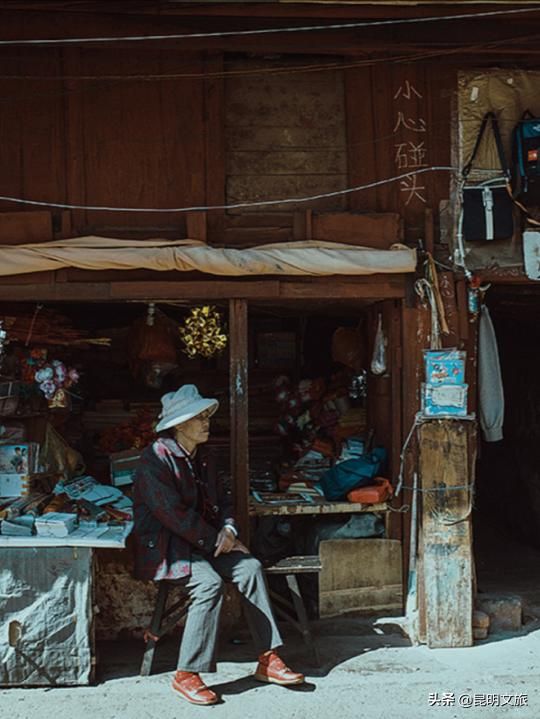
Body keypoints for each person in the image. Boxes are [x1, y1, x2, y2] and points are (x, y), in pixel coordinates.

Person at [133, 384, 304, 706]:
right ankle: (187, 674)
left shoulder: (205, 457)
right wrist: (217, 540)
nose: (207, 422)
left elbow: (223, 499)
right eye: (199, 417)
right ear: (180, 424)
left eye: (206, 416)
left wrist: (228, 528)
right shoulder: (155, 459)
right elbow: (171, 513)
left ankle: (268, 658)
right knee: (209, 583)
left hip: (204, 544)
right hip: (169, 548)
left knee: (250, 568)